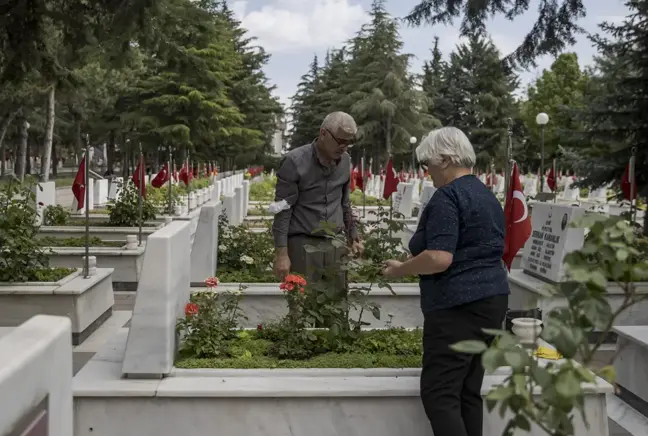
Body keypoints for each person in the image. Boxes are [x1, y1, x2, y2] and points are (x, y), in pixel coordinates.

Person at [382, 126, 509, 436]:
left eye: (429, 163)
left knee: (440, 394)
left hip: (458, 305)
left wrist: (400, 269)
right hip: (492, 300)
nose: (427, 172)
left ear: (446, 159)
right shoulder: (484, 193)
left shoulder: (447, 196)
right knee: (467, 390)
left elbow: (440, 257)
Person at [272, 111, 364, 287]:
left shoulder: (345, 161)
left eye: (349, 142)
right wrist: (282, 255)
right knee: (303, 307)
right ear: (323, 133)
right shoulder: (294, 161)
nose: (344, 147)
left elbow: (344, 203)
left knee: (337, 305)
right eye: (340, 141)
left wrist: (354, 236)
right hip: (303, 246)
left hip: (336, 244)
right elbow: (282, 209)